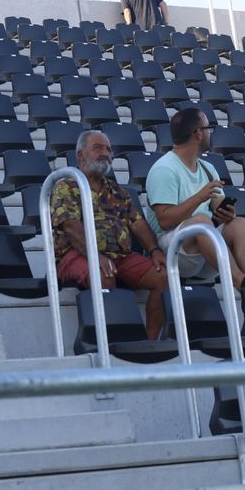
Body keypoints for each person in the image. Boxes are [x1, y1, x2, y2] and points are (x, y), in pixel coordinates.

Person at [51, 129, 170, 340]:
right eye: (98, 148)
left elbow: (138, 223)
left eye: (108, 149)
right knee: (104, 274)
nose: (105, 153)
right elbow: (71, 227)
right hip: (77, 254)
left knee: (164, 276)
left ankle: (150, 342)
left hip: (120, 256)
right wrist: (96, 256)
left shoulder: (117, 190)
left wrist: (154, 250)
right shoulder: (66, 186)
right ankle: (111, 343)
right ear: (80, 154)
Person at [143, 107, 245, 287]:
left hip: (204, 249)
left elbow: (217, 205)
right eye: (208, 129)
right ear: (198, 134)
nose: (210, 133)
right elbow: (164, 221)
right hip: (172, 250)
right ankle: (241, 282)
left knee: (240, 224)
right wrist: (199, 198)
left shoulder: (207, 168)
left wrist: (227, 213)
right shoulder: (164, 169)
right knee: (201, 222)